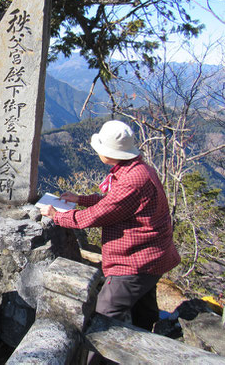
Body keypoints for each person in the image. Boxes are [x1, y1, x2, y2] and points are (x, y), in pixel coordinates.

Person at [40, 120, 180, 332]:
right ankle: (143, 348)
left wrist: (56, 215)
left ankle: (94, 358)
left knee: (104, 316)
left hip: (136, 262)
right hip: (153, 256)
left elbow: (97, 216)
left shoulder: (133, 181)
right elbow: (115, 203)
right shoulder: (138, 170)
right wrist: (81, 199)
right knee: (144, 311)